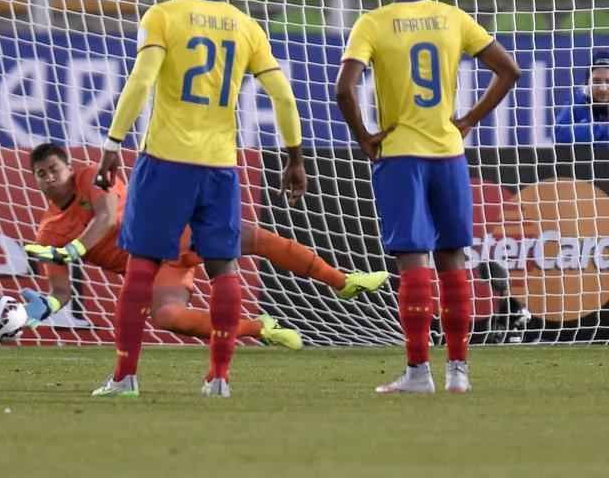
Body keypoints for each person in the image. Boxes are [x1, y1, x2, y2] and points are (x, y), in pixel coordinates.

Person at [92, 0, 308, 399]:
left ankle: (126, 377)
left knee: (142, 268)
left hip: (166, 161)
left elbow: (142, 79)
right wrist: (294, 156)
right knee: (224, 268)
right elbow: (284, 96)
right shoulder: (245, 26)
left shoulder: (164, 16)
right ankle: (219, 378)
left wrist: (113, 142)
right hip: (219, 166)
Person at [335, 0, 520, 395]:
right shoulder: (451, 17)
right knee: (453, 258)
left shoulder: (372, 23)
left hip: (400, 155)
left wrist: (364, 136)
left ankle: (419, 372)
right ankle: (459, 371)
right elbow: (509, 70)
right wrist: (469, 120)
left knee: (413, 259)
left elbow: (344, 88)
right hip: (448, 153)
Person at [22, 143, 387, 349]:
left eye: (54, 168)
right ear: (35, 181)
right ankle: (259, 328)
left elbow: (107, 215)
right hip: (157, 268)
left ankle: (342, 282)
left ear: (70, 168)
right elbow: (61, 291)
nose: (50, 177)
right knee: (167, 318)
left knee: (257, 239)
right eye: (41, 173)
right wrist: (37, 310)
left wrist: (74, 251)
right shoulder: (50, 230)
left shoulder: (92, 176)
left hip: (178, 230)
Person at [553, 52, 609, 144]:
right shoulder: (577, 101)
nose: (602, 88)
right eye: (596, 81)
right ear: (587, 82)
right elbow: (559, 134)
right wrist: (602, 129)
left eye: (608, 81)